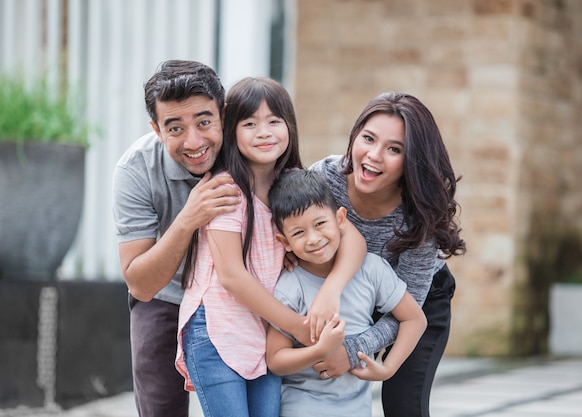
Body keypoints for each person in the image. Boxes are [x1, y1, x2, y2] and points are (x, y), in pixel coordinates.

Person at [174, 77, 366, 417]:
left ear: (289, 126)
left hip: (266, 331)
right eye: (250, 124)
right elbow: (232, 276)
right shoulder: (226, 189)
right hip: (218, 329)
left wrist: (329, 291)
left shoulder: (293, 183)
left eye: (274, 121)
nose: (264, 132)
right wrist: (297, 326)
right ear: (231, 130)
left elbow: (353, 238)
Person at [309, 91, 466, 417]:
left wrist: (351, 352)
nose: (374, 155)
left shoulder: (420, 214)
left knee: (402, 407)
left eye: (394, 149)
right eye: (368, 138)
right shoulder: (323, 180)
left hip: (416, 304)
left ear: (412, 160)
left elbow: (407, 312)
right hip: (346, 295)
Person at [112, 60, 241, 417]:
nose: (194, 142)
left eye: (204, 122)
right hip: (166, 297)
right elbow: (140, 284)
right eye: (175, 128)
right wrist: (189, 218)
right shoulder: (135, 170)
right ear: (156, 129)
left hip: (242, 294)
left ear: (223, 115)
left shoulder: (249, 149)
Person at [266, 169, 427, 417]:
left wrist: (388, 368)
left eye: (320, 224)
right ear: (284, 242)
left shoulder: (371, 269)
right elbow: (275, 360)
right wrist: (319, 351)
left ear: (341, 219)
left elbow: (414, 318)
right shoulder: (289, 287)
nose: (313, 239)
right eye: (298, 232)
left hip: (358, 408)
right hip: (302, 406)